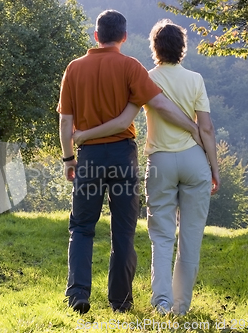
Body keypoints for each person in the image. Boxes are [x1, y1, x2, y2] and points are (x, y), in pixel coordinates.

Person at [57, 10, 202, 314]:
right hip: (123, 156)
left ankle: (78, 295)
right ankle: (120, 301)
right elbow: (161, 104)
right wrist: (193, 127)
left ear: (96, 35)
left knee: (82, 227)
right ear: (123, 37)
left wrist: (69, 158)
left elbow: (65, 120)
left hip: (90, 158)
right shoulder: (131, 67)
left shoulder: (74, 68)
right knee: (123, 230)